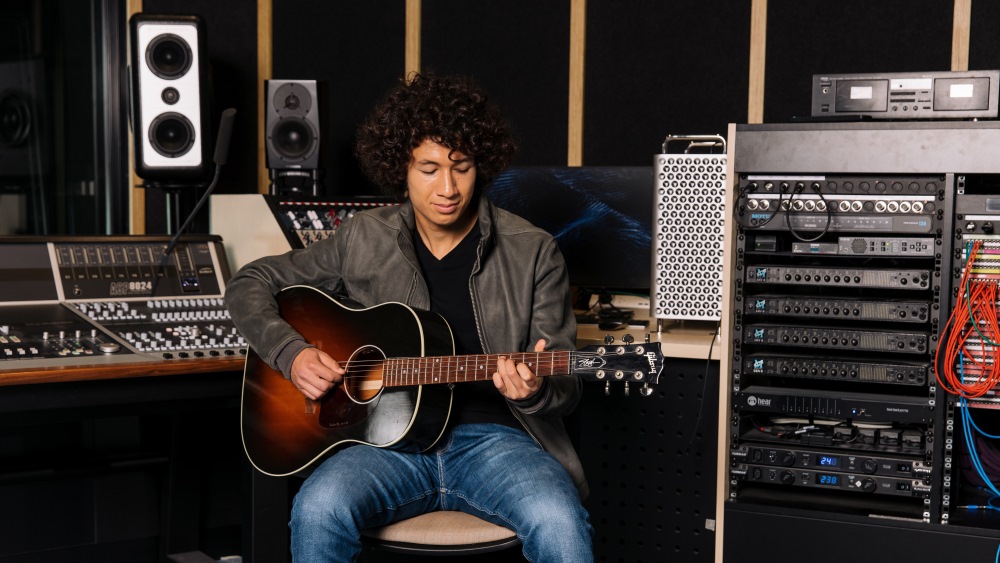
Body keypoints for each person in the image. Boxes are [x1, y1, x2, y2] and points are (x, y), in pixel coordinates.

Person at [225, 72, 592, 562]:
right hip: (384, 444)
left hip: (499, 442)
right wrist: (290, 353)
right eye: (429, 168)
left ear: (479, 165)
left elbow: (565, 380)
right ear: (401, 167)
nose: (447, 187)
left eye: (460, 167)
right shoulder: (363, 237)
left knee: (560, 520)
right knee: (317, 509)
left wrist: (536, 389)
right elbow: (249, 283)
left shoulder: (534, 250)